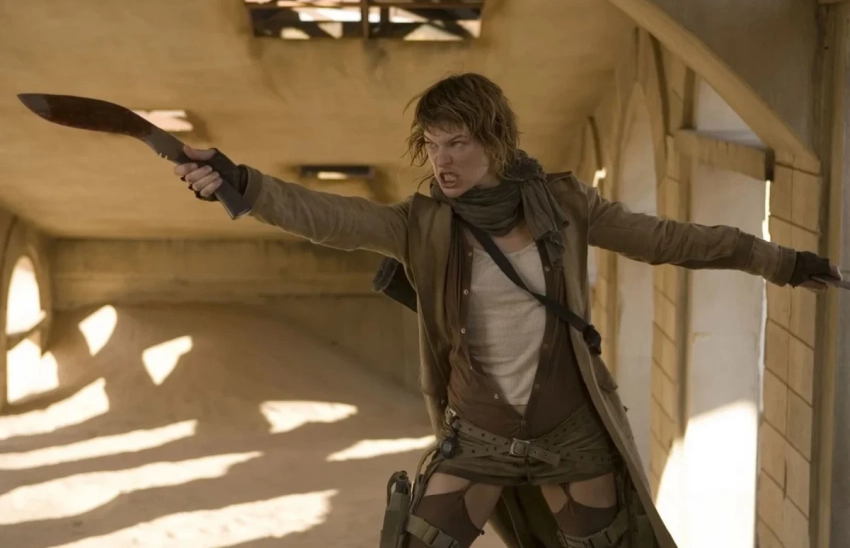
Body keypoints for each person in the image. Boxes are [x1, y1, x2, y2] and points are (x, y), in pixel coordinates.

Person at [174, 73, 841, 548]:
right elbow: (326, 216)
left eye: (458, 143)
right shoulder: (422, 223)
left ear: (495, 141)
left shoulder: (566, 205)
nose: (442, 161)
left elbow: (670, 240)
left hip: (572, 433)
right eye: (433, 144)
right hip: (479, 434)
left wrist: (779, 261)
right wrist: (241, 183)